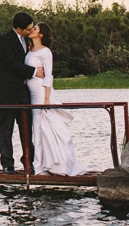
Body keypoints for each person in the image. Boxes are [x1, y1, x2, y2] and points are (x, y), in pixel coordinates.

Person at [25, 22, 87, 176]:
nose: (32, 30)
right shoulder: (30, 51)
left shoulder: (45, 52)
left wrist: (47, 99)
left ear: (41, 34)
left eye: (35, 29)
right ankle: (40, 165)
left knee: (43, 128)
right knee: (37, 129)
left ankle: (47, 165)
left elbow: (48, 75)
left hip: (41, 93)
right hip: (31, 93)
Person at [0, 11, 44, 174]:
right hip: (8, 92)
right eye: (28, 29)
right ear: (19, 28)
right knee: (6, 128)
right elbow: (10, 63)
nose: (31, 31)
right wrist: (33, 72)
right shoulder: (4, 40)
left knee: (26, 128)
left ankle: (28, 160)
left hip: (24, 92)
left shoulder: (26, 40)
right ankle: (7, 163)